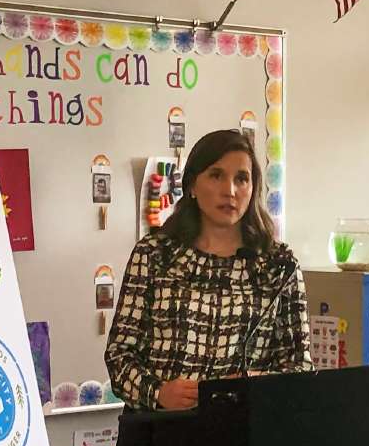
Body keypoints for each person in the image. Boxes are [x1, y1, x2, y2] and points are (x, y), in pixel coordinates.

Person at [105, 129, 312, 411]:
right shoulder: (155, 255)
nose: (230, 190)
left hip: (246, 431)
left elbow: (300, 368)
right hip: (161, 429)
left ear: (253, 189)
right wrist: (158, 393)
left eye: (242, 178)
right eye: (216, 175)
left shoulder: (279, 266)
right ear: (191, 185)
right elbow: (120, 355)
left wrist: (254, 384)